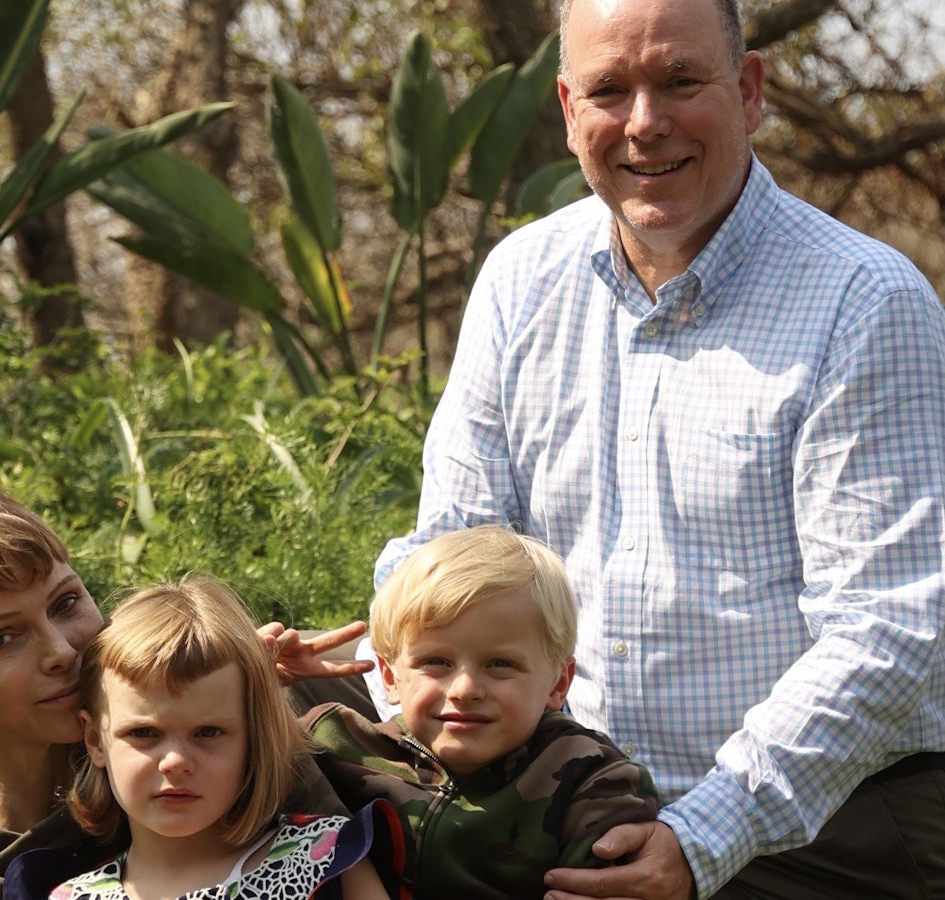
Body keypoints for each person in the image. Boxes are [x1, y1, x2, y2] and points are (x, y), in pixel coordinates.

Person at [365, 0, 945, 896]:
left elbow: (892, 629)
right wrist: (382, 672)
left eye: (680, 81)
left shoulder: (865, 302)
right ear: (567, 111)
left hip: (824, 818)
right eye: (610, 89)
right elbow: (448, 554)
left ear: (748, 92)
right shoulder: (521, 283)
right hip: (561, 793)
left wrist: (698, 838)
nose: (644, 123)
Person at [0, 481, 373, 900]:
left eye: (66, 602)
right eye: (3, 638)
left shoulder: (207, 770)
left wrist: (246, 698)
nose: (60, 650)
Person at [304, 525, 659, 899]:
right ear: (390, 676)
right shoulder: (337, 745)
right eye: (436, 661)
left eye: (500, 664)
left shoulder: (592, 781)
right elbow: (240, 788)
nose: (465, 690)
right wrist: (253, 677)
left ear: (557, 683)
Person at [29, 575, 395, 900]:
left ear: (253, 737)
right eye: (143, 733)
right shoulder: (71, 896)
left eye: (208, 732)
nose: (175, 761)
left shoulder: (323, 857)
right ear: (95, 740)